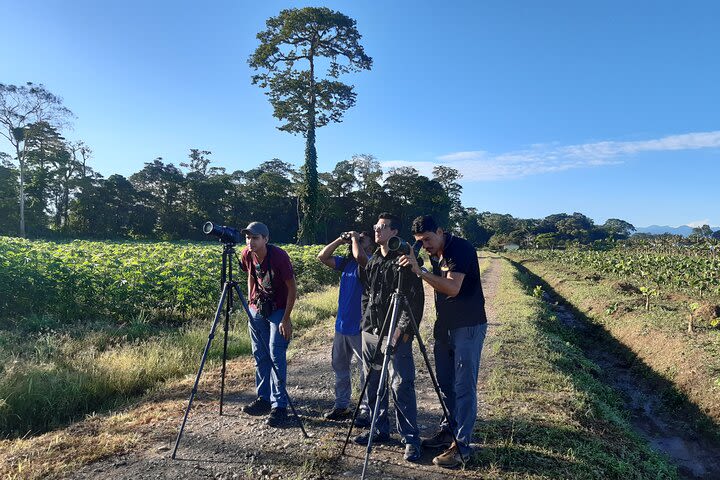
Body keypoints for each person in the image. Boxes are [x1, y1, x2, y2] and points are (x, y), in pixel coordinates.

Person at [398, 215, 488, 468]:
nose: (424, 245)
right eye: (420, 241)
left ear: (440, 231)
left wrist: (421, 271)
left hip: (468, 326)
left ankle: (462, 446)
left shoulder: (459, 248)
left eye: (427, 239)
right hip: (445, 326)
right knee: (445, 384)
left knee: (464, 386)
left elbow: (452, 288)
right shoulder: (433, 251)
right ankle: (448, 431)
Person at [355, 212, 424, 463]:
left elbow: (415, 300)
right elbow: (367, 293)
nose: (377, 230)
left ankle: (410, 438)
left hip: (395, 331)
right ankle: (378, 429)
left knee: (400, 385)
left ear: (394, 232)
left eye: (383, 227)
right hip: (371, 329)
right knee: (372, 383)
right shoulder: (374, 260)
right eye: (376, 226)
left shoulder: (404, 260)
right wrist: (365, 322)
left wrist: (402, 331)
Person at [238, 221, 297, 427]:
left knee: (275, 354)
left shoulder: (279, 256)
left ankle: (279, 406)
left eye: (255, 238)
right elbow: (251, 277)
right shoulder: (247, 254)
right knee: (259, 354)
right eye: (247, 238)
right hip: (259, 308)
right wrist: (250, 305)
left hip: (279, 308)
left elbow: (292, 288)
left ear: (265, 239)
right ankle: (263, 399)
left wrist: (286, 318)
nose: (250, 242)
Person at [317, 231, 375, 425]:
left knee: (365, 371)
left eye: (361, 240)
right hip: (341, 326)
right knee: (340, 368)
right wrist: (340, 239)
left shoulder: (370, 263)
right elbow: (322, 257)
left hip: (360, 327)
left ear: (370, 247)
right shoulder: (347, 263)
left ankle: (367, 411)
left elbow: (361, 257)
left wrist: (354, 240)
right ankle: (342, 406)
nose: (355, 243)